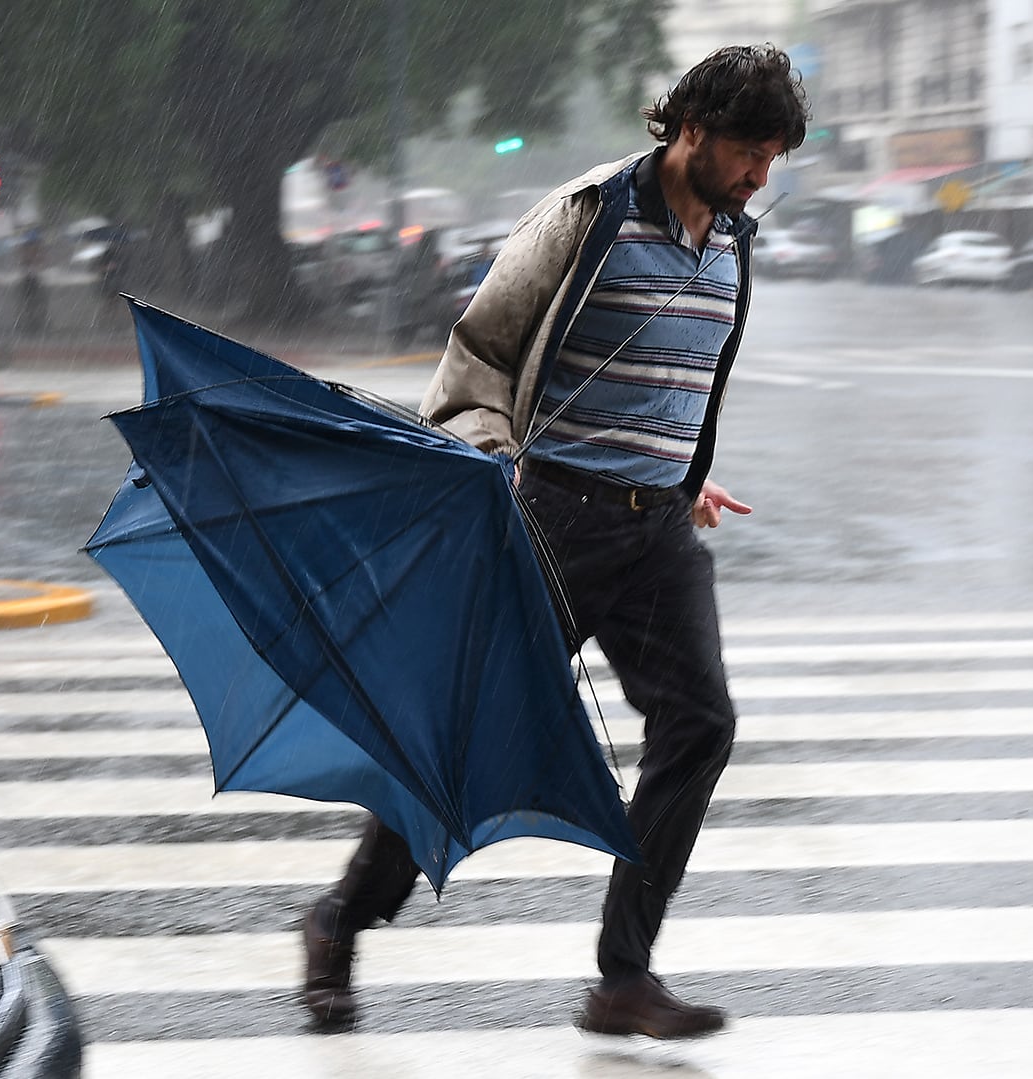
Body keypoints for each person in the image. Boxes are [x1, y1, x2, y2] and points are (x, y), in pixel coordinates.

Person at [301, 44, 809, 1039]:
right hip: (552, 519)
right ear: (691, 131)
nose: (760, 175)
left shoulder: (734, 237)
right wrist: (491, 462)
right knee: (460, 739)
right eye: (749, 151)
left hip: (659, 527)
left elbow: (676, 371)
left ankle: (624, 974)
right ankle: (341, 917)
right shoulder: (589, 215)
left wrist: (684, 467)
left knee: (700, 723)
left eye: (774, 157)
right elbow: (483, 351)